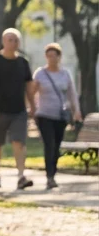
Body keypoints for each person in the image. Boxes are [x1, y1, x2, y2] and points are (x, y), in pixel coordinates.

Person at [0, 27, 38, 190]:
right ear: (3, 41)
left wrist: (33, 106)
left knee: (19, 141)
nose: (13, 43)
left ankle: (21, 176)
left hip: (18, 111)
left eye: (15, 40)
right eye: (9, 39)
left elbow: (29, 86)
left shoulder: (23, 62)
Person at [33, 42, 80, 190]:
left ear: (59, 57)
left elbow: (72, 94)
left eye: (54, 56)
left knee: (57, 146)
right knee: (49, 144)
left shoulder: (65, 74)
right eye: (49, 56)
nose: (51, 59)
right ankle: (50, 177)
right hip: (44, 114)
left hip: (60, 115)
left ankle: (53, 172)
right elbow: (31, 92)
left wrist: (76, 110)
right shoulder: (40, 73)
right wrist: (32, 109)